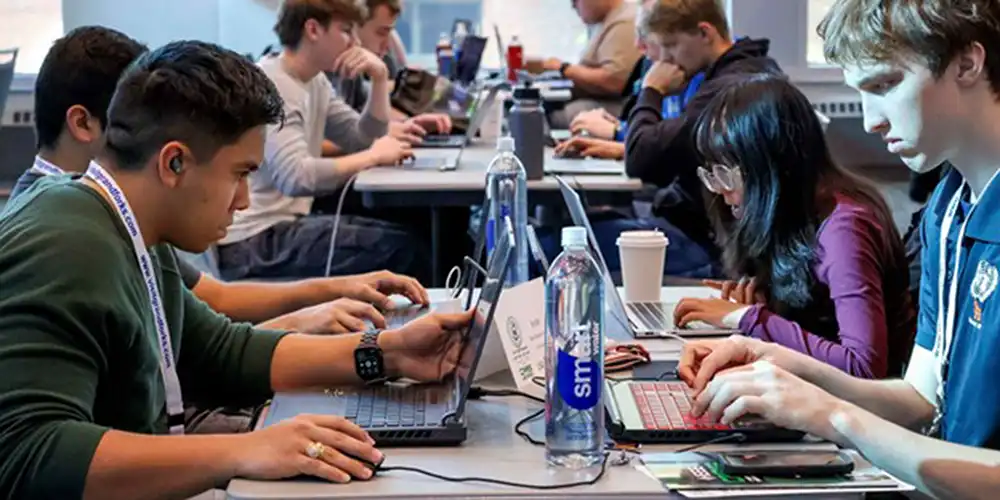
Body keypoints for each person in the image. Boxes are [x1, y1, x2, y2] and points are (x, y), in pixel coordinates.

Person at [0, 39, 473, 498]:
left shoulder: (134, 228)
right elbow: (30, 454)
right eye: (240, 173)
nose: (244, 200)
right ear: (174, 162)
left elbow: (218, 353)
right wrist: (244, 452)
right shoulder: (68, 243)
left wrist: (389, 353)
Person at [678, 1, 1000, 496]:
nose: (870, 120)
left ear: (967, 62)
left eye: (886, 85)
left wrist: (834, 414)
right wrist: (778, 362)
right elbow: (920, 400)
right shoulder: (948, 206)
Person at [16, 25, 427, 336]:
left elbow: (215, 302)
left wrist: (336, 291)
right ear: (82, 123)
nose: (145, 130)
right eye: (129, 115)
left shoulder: (114, 212)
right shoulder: (69, 233)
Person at [670, 74, 916, 378]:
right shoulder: (796, 214)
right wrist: (767, 304)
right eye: (711, 173)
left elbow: (863, 367)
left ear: (773, 168)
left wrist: (748, 318)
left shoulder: (845, 229)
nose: (719, 189)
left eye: (727, 173)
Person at [220, 0, 431, 281]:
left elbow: (362, 137)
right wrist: (373, 157)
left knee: (415, 232)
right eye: (346, 31)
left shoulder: (314, 81)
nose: (355, 43)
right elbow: (295, 177)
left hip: (280, 227)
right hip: (253, 241)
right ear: (313, 29)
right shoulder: (273, 84)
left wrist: (379, 78)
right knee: (405, 250)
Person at [624, 0, 783, 277]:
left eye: (672, 45)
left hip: (704, 246)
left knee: (554, 244)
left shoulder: (729, 89)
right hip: (695, 228)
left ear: (705, 33)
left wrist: (651, 90)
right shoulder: (735, 71)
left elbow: (641, 158)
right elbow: (674, 143)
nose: (665, 60)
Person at [328, 0, 452, 141]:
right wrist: (378, 140)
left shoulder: (349, 74)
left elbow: (365, 121)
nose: (387, 47)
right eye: (381, 32)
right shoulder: (320, 74)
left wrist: (410, 124)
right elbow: (317, 145)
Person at [529, 0, 642, 127]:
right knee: (537, 106)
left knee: (542, 115)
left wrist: (565, 69)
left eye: (575, 1)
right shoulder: (605, 20)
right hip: (597, 98)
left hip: (618, 105)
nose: (573, 6)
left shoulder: (625, 23)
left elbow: (613, 81)